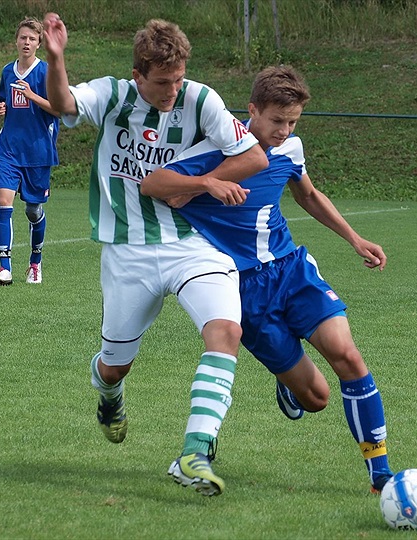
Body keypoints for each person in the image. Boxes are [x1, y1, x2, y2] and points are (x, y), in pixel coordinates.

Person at [140, 65, 394, 493]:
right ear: (252, 110)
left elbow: (308, 195)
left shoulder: (290, 148)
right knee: (317, 399)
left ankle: (380, 474)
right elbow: (154, 183)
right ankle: (290, 388)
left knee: (347, 356)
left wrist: (354, 238)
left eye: (292, 122)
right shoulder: (214, 149)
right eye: (277, 121)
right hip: (244, 291)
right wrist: (202, 184)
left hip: (292, 270)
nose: (284, 130)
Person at [43, 12, 268, 496]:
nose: (172, 91)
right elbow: (63, 104)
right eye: (162, 82)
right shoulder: (112, 94)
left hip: (193, 244)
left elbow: (254, 156)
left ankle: (194, 451)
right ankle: (109, 395)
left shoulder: (200, 98)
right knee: (115, 364)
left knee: (226, 329)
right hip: (128, 252)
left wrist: (204, 184)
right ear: (138, 75)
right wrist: (55, 58)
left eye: (178, 79)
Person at [0, 17, 60, 286]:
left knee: (33, 211)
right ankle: (4, 267)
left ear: (39, 43)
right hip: (8, 148)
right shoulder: (8, 71)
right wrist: (1, 109)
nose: (26, 42)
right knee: (3, 203)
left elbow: (59, 109)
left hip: (38, 151)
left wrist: (32, 96)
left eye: (32, 38)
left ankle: (35, 262)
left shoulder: (47, 73)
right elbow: (4, 101)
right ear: (16, 41)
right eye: (23, 38)